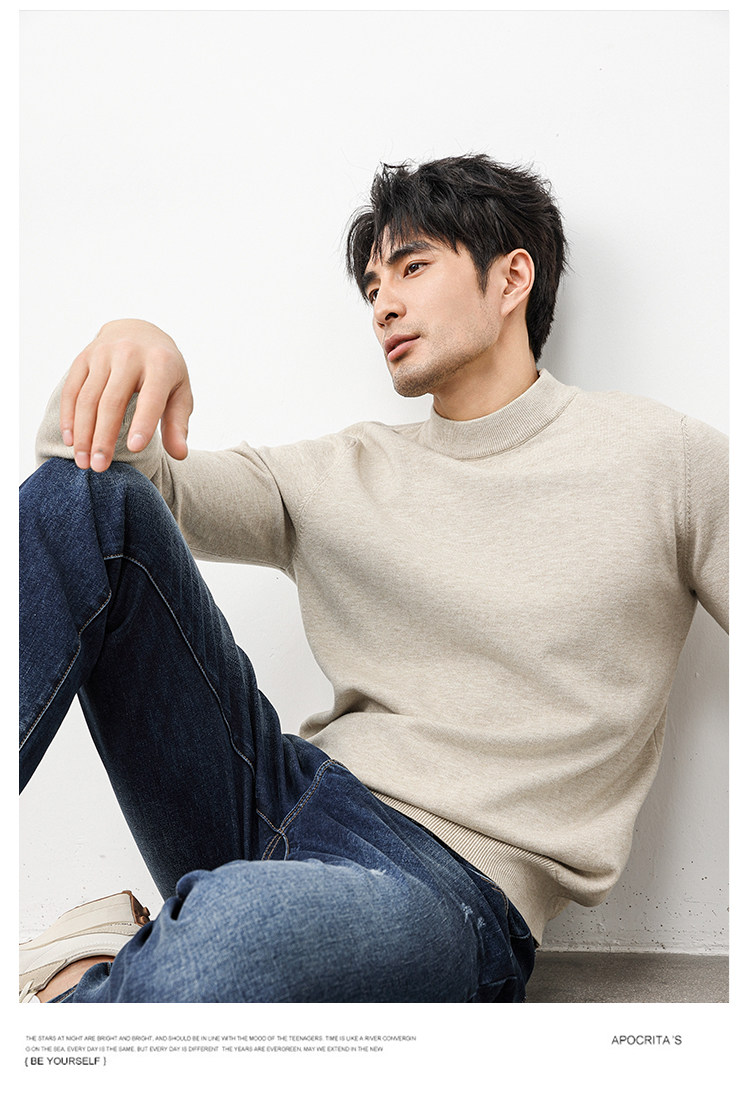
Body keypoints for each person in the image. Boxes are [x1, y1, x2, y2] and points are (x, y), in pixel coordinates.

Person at [19, 154, 728, 1003]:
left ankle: (100, 978)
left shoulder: (664, 461)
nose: (383, 303)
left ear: (512, 279)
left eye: (412, 267)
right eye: (372, 286)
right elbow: (103, 492)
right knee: (87, 496)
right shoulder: (345, 469)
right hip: (274, 796)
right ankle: (143, 966)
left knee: (230, 941)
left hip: (448, 887)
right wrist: (131, 345)